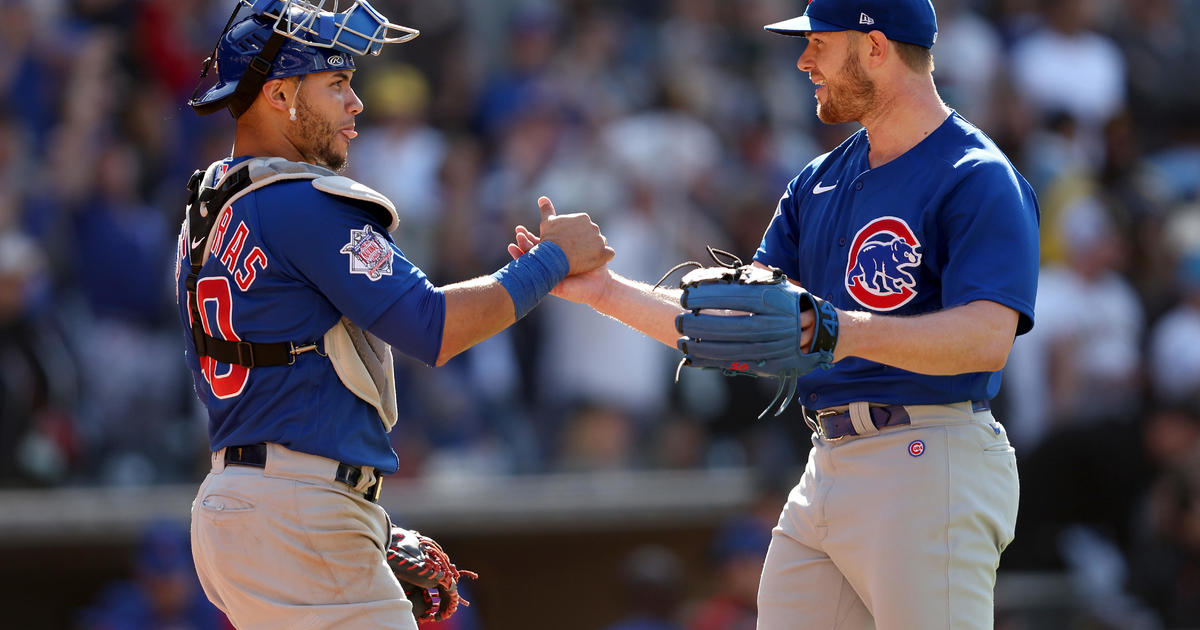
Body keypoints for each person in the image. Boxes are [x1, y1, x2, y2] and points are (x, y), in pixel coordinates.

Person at [510, 0, 1039, 627]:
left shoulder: (975, 176)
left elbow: (986, 339)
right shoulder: (817, 181)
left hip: (929, 454)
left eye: (820, 42)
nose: (804, 59)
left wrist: (839, 329)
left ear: (875, 46)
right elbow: (736, 324)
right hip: (828, 464)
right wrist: (601, 290)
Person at [175, 2, 611, 629]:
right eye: (336, 84)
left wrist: (359, 517)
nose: (356, 106)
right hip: (295, 514)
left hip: (240, 502)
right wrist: (552, 261)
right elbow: (432, 327)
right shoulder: (301, 202)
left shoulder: (209, 205)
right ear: (277, 94)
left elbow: (285, 376)